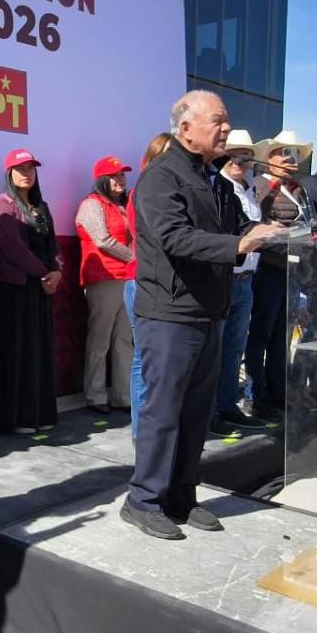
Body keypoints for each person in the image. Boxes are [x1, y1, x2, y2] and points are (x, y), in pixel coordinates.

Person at [123, 91, 279, 540]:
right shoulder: (161, 177)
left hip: (209, 310)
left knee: (196, 413)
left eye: (227, 120)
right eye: (218, 120)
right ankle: (143, 500)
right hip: (170, 312)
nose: (226, 128)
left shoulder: (212, 178)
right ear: (185, 127)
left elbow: (228, 232)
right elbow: (174, 237)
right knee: (164, 411)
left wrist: (263, 234)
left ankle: (180, 498)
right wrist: (239, 246)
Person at [0, 149, 63, 434]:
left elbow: (54, 246)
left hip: (41, 290)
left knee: (39, 351)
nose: (27, 173)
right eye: (20, 168)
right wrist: (44, 273)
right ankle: (16, 417)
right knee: (16, 353)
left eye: (31, 168)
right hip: (16, 290)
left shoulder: (42, 207)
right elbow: (12, 248)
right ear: (9, 173)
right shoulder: (3, 205)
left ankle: (39, 413)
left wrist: (57, 272)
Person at [246, 131, 313, 421]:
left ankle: (277, 392)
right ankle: (255, 394)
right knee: (261, 334)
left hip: (292, 270)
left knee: (281, 337)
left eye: (293, 154)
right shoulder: (261, 186)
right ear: (269, 158)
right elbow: (251, 223)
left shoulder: (299, 190)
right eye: (284, 153)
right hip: (267, 269)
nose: (290, 159)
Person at [209, 130, 267, 434]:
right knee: (215, 349)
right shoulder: (216, 187)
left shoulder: (250, 190)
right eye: (234, 154)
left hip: (247, 279)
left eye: (245, 155)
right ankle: (210, 414)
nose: (240, 161)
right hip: (223, 279)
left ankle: (228, 406)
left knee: (234, 349)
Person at [123, 133, 175, 437]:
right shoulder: (145, 190)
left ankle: (155, 434)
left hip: (160, 284)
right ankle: (143, 436)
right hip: (143, 282)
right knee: (145, 360)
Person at [76, 156, 134, 416]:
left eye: (122, 174)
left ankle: (123, 395)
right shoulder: (91, 204)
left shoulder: (124, 206)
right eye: (114, 175)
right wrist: (137, 258)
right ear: (101, 180)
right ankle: (95, 394)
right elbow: (102, 240)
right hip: (103, 279)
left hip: (127, 278)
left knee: (124, 339)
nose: (120, 179)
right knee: (100, 339)